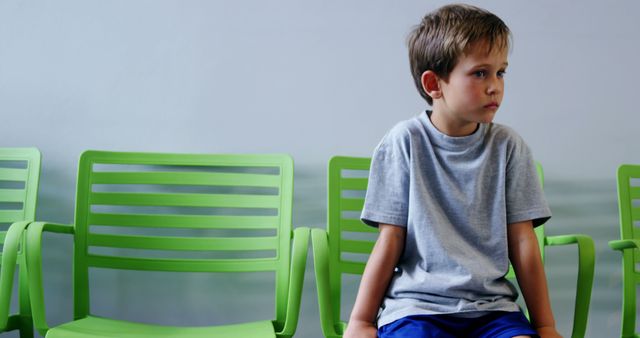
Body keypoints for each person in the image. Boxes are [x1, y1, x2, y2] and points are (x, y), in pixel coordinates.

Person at [344, 4, 561, 338]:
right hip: (417, 308)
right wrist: (361, 321)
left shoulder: (509, 146)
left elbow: (523, 240)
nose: (495, 86)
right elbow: (391, 239)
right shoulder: (404, 142)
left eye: (501, 72)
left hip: (493, 311)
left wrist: (545, 326)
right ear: (435, 83)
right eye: (480, 73)